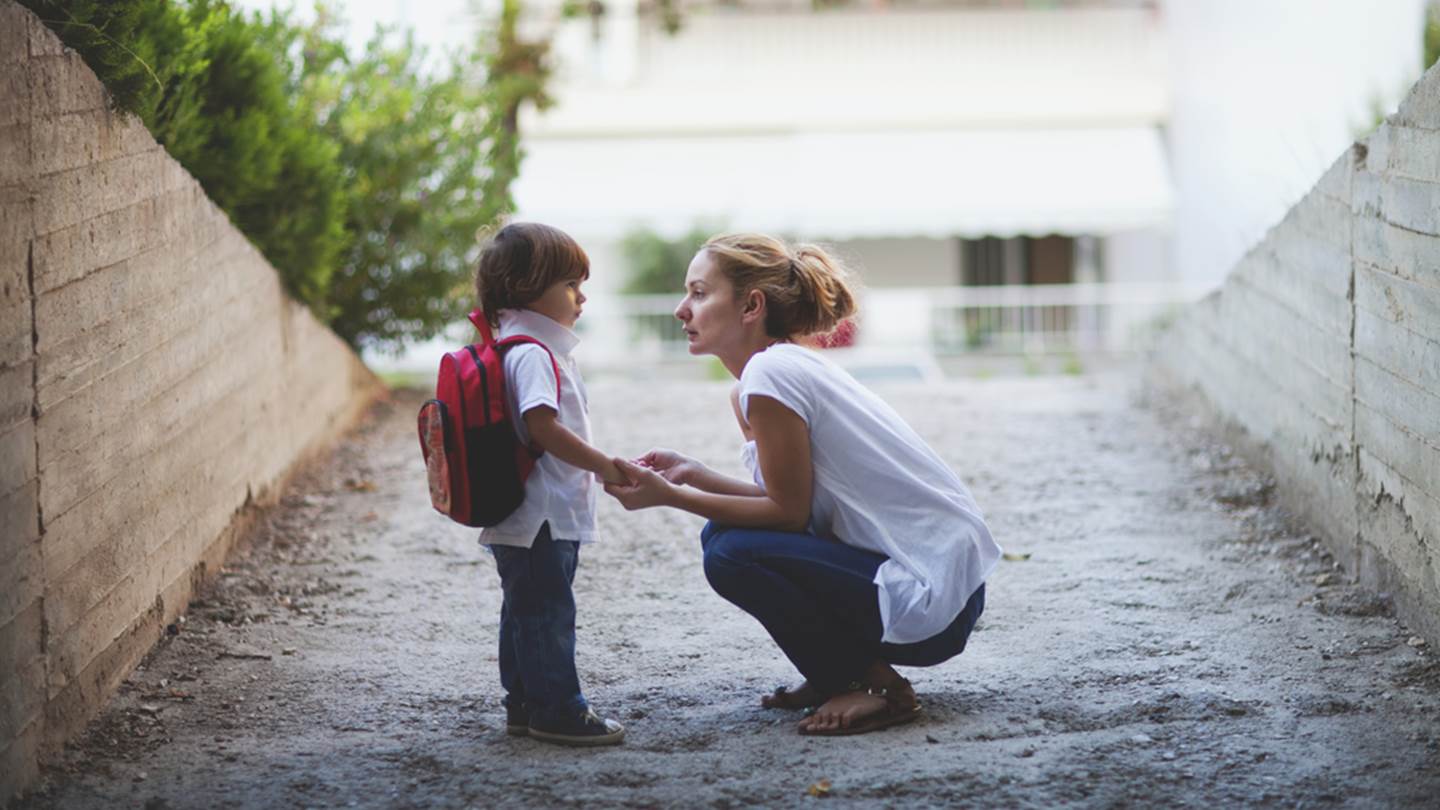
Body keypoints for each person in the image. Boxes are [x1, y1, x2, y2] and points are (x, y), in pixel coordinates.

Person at [604, 233, 1001, 736]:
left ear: (751, 306)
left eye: (700, 293)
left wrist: (671, 496)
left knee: (730, 553)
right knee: (722, 537)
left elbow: (788, 514)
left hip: (933, 596)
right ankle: (835, 671)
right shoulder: (771, 373)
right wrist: (693, 474)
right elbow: (798, 503)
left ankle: (877, 687)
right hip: (938, 585)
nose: (683, 309)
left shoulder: (771, 374)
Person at [473, 222, 628, 746]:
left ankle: (523, 703)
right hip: (541, 512)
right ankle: (557, 709)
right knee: (548, 612)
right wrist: (606, 465)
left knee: (525, 609)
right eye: (569, 285)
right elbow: (543, 427)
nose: (581, 297)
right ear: (524, 288)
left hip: (528, 512)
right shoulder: (534, 354)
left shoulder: (517, 346)